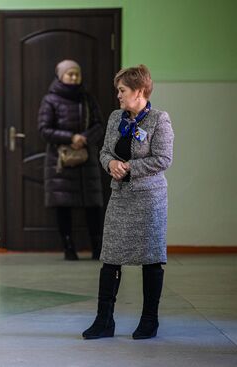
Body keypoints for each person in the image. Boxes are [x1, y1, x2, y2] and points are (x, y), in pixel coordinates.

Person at [82, 64, 174, 340]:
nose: (118, 95)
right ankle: (104, 320)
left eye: (122, 90)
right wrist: (110, 163)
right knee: (110, 258)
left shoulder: (159, 119)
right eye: (118, 90)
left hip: (149, 199)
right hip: (121, 197)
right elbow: (105, 151)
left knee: (151, 259)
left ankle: (149, 321)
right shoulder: (115, 118)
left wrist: (130, 167)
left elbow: (162, 159)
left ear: (140, 91)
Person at [38, 60, 105, 261]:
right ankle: (68, 248)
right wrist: (70, 138)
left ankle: (97, 247)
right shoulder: (50, 100)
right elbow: (44, 129)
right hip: (61, 162)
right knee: (63, 206)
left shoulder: (87, 98)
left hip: (87, 161)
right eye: (70, 74)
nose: (74, 77)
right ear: (60, 76)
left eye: (77, 74)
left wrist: (85, 138)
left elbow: (99, 125)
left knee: (93, 205)